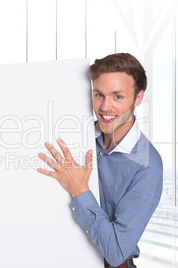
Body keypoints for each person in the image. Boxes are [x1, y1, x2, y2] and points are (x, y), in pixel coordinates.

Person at [37, 53, 163, 268]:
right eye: (99, 95)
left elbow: (116, 252)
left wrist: (79, 191)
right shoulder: (76, 137)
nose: (105, 107)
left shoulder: (148, 166)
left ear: (138, 98)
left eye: (118, 97)